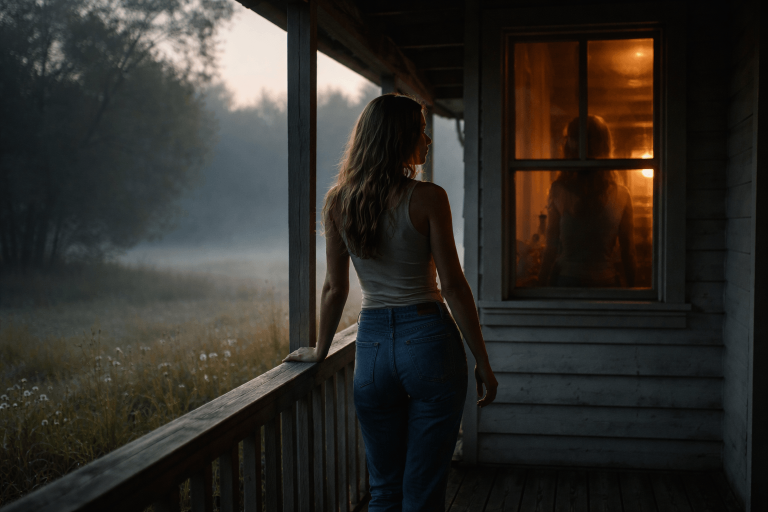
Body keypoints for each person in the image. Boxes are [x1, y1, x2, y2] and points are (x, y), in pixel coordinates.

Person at [283, 94, 498, 511]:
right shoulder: (428, 197)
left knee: (384, 490)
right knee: (422, 491)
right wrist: (483, 364)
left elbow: (334, 287)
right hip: (430, 341)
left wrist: (320, 349)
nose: (428, 139)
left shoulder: (338, 201)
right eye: (420, 130)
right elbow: (453, 287)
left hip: (373, 347)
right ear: (399, 139)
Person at [538, 115, 637, 287]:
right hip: (602, 284)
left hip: (570, 283)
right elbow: (628, 254)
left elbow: (551, 248)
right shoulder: (621, 195)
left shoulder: (560, 190)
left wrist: (539, 288)